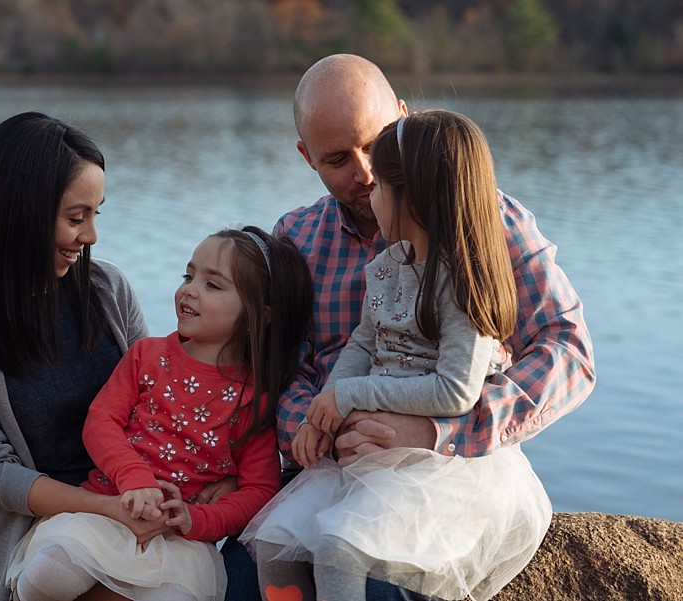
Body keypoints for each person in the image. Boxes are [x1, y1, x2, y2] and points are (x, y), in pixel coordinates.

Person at [221, 54, 595, 600]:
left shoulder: (482, 222)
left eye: (375, 145)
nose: (365, 173)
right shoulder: (297, 239)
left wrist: (438, 433)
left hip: (442, 473)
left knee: (374, 582)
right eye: (337, 159)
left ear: (403, 117)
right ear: (307, 159)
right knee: (239, 574)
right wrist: (330, 427)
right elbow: (280, 372)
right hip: (332, 466)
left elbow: (569, 351)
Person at [0, 111, 158, 601]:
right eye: (75, 217)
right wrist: (100, 508)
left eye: (95, 214)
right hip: (32, 531)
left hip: (129, 499)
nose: (90, 236)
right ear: (20, 212)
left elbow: (156, 402)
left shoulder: (107, 289)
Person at [3, 226, 314, 601]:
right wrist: (133, 478)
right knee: (46, 578)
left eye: (213, 285)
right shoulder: (147, 356)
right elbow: (101, 422)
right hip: (107, 511)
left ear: (258, 314)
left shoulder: (255, 398)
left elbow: (259, 489)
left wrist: (196, 519)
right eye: (189, 275)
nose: (189, 290)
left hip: (179, 540)